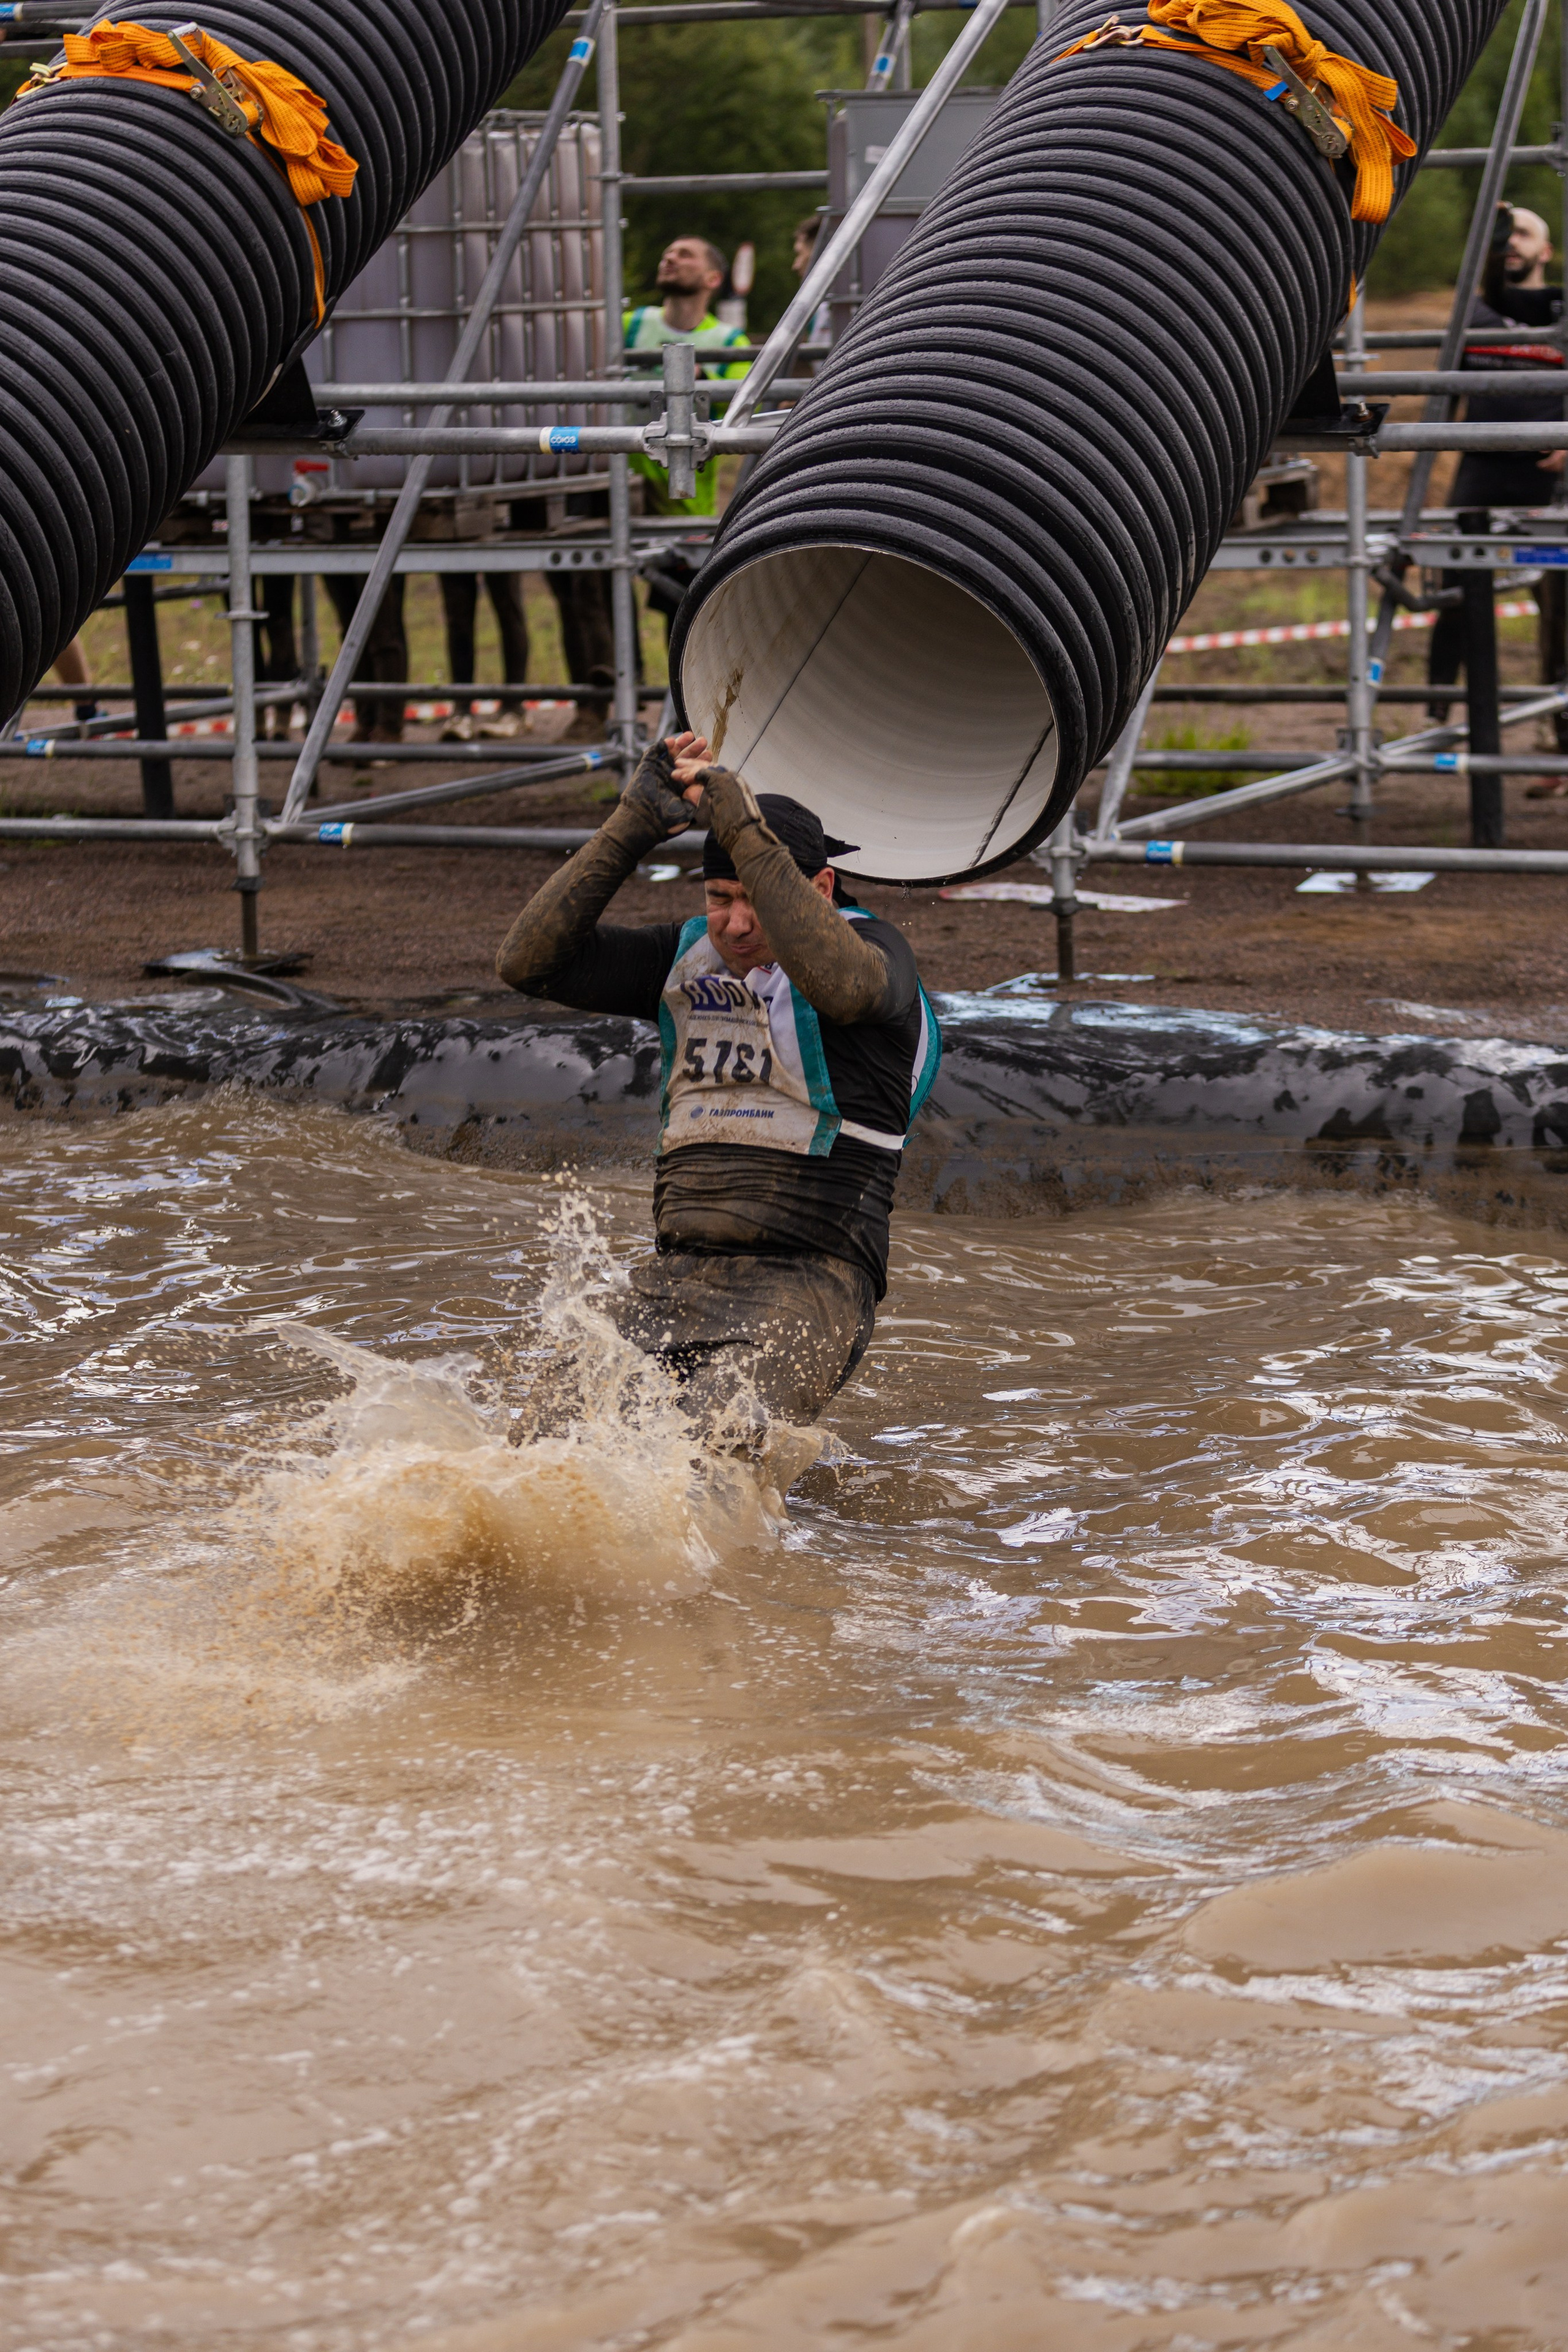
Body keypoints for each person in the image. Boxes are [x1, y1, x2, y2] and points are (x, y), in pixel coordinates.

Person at [495, 739, 942, 1438]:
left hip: (810, 1285)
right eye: (719, 898)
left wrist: (740, 827)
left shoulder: (878, 958)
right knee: (535, 1444)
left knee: (714, 1454)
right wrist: (630, 827)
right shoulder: (683, 954)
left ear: (819, 890)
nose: (734, 924)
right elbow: (527, 962)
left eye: (755, 900)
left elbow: (842, 987)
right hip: (675, 1280)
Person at [1428, 205, 1567, 756]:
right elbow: (1444, 396)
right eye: (1503, 236)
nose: (1513, 244)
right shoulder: (1475, 313)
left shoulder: (1560, 309)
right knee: (1457, 593)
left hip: (1549, 479)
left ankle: (1558, 740)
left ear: (1547, 252)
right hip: (1482, 472)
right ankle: (1437, 714)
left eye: (1524, 234)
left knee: (1559, 612)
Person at [625, 235, 749, 641]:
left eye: (685, 254)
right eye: (669, 251)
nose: (670, 256)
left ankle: (675, 698)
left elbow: (738, 419)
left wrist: (701, 383)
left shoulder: (731, 343)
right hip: (621, 481)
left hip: (684, 494)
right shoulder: (630, 325)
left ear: (713, 278)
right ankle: (624, 687)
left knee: (679, 611)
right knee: (604, 587)